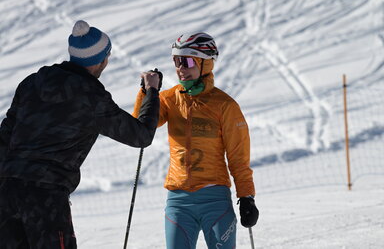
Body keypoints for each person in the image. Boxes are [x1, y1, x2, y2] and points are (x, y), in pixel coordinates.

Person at [0, 20, 160, 249]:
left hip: (7, 190)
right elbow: (141, 136)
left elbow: (5, 136)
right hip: (47, 195)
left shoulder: (32, 83)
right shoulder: (91, 97)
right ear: (101, 60)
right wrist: (152, 92)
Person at [133, 32, 258, 249]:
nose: (181, 67)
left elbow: (238, 156)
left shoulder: (224, 105)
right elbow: (140, 130)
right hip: (178, 201)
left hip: (215, 199)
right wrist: (148, 93)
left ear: (206, 64)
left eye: (188, 61)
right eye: (177, 61)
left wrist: (246, 196)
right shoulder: (169, 100)